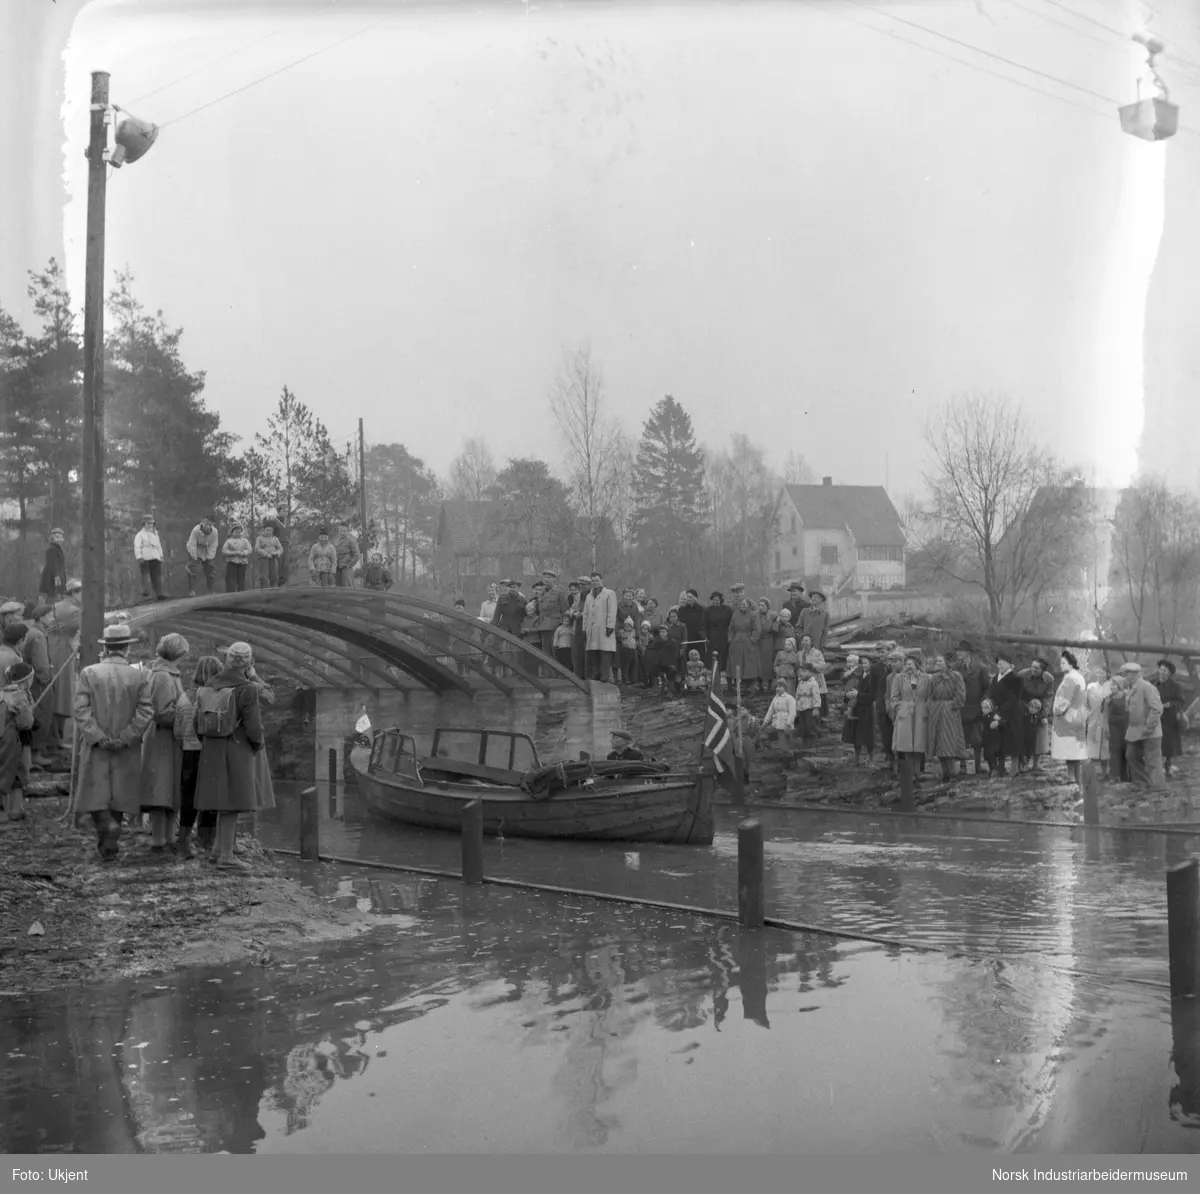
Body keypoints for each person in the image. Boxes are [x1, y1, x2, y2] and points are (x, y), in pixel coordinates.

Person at [73, 623, 154, 861]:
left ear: (106, 647)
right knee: (121, 792)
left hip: (97, 745)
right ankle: (111, 838)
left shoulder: (88, 673)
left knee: (96, 791)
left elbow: (81, 710)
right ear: (127, 648)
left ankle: (106, 833)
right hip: (125, 748)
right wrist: (127, 737)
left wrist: (97, 736)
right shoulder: (138, 676)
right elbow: (146, 711)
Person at [194, 642, 265, 871]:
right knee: (231, 801)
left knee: (219, 798)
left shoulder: (210, 684)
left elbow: (198, 721)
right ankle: (226, 855)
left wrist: (207, 741)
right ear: (249, 662)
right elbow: (253, 726)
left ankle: (216, 849)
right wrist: (256, 745)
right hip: (237, 745)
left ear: (227, 660)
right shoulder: (248, 688)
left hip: (211, 746)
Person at [139, 633, 188, 855]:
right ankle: (160, 838)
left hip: (168, 740)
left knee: (170, 789)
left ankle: (168, 836)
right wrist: (186, 715)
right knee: (161, 788)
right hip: (162, 739)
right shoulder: (164, 677)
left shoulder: (164, 674)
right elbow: (161, 712)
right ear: (179, 653)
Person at [174, 655, 222, 860]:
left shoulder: (184, 697)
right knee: (212, 796)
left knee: (188, 797)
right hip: (210, 752)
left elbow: (176, 730)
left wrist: (186, 743)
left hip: (188, 753)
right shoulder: (216, 697)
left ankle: (183, 841)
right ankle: (208, 840)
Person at [0, 661, 35, 822]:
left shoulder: (3, 693)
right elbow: (25, 722)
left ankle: (7, 809)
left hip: (3, 737)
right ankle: (13, 809)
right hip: (16, 739)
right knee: (18, 771)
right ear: (26, 680)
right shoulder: (19, 696)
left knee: (4, 770)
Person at [925, 654, 968, 781]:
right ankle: (944, 772)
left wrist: (951, 706)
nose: (938, 664)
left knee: (949, 741)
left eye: (940, 661)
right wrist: (932, 707)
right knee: (939, 742)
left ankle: (951, 772)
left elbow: (961, 696)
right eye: (936, 661)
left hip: (950, 714)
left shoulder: (956, 676)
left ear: (947, 663)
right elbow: (930, 695)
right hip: (937, 713)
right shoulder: (934, 678)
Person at [1122, 661, 1165, 790]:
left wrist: (1149, 727)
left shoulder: (1146, 687)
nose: (1124, 676)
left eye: (1127, 673)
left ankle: (1159, 789)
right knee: (1131, 756)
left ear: (1135, 674)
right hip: (1135, 732)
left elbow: (1157, 708)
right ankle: (1143, 784)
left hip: (1150, 732)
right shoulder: (1131, 688)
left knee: (1153, 761)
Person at [983, 652, 1024, 778]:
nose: (999, 664)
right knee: (999, 741)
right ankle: (1000, 768)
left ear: (1010, 664)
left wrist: (1001, 714)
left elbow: (1014, 699)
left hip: (1012, 713)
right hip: (997, 712)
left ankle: (1015, 768)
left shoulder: (1015, 679)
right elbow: (991, 694)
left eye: (1002, 662)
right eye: (998, 662)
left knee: (1013, 740)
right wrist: (991, 708)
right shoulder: (995, 678)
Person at [888, 655, 930, 779]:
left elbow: (929, 696)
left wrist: (926, 707)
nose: (908, 667)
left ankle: (918, 771)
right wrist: (900, 706)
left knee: (919, 743)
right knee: (906, 743)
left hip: (921, 712)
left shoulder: (926, 678)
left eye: (910, 664)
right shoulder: (899, 678)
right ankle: (909, 772)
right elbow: (894, 697)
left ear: (916, 665)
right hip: (905, 713)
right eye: (906, 665)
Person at [1050, 650, 1087, 787]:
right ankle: (1077, 779)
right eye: (1060, 662)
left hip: (1069, 718)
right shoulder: (1079, 677)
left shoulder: (1070, 678)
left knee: (1069, 749)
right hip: (1078, 717)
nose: (1061, 665)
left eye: (1063, 663)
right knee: (1075, 751)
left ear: (1071, 664)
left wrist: (1056, 711)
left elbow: (1063, 700)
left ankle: (1071, 777)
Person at [956, 642, 991, 778]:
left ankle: (977, 766)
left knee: (977, 739)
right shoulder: (955, 668)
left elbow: (987, 688)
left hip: (976, 708)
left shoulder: (981, 668)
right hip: (961, 708)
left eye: (960, 651)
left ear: (968, 652)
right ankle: (963, 767)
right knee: (961, 738)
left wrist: (983, 703)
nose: (958, 653)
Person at [842, 652, 880, 767]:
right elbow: (850, 687)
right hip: (856, 707)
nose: (863, 665)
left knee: (869, 735)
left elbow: (872, 695)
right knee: (855, 733)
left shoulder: (874, 677)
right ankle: (857, 758)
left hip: (867, 709)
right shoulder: (858, 675)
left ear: (871, 664)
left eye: (866, 663)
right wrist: (847, 697)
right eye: (862, 663)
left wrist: (858, 695)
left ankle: (872, 759)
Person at [1017, 657, 1055, 772]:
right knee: (1024, 738)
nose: (1033, 669)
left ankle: (1035, 764)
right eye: (1032, 666)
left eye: (1036, 668)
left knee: (1040, 738)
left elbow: (1048, 697)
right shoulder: (1022, 675)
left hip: (1040, 708)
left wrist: (1042, 714)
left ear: (1043, 670)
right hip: (1024, 707)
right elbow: (1018, 695)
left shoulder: (1049, 679)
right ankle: (1024, 764)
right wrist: (1026, 710)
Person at [582, 572, 618, 683]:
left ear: (601, 580)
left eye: (597, 580)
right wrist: (584, 628)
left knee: (605, 652)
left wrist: (610, 625)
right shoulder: (589, 596)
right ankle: (596, 673)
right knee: (594, 651)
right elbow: (586, 613)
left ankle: (605, 675)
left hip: (604, 627)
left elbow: (612, 610)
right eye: (593, 581)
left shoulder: (609, 594)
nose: (595, 583)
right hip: (592, 628)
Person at [1153, 660, 1186, 777]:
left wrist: (1171, 703)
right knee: (1156, 743)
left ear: (1170, 673)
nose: (1162, 672)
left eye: (1165, 671)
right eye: (1160, 670)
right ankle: (1157, 767)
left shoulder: (1176, 686)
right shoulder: (1154, 684)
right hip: (1155, 718)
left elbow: (1181, 701)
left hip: (1169, 719)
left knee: (1169, 744)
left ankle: (1168, 766)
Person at [878, 650, 905, 771]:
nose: (893, 664)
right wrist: (888, 707)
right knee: (890, 737)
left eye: (896, 661)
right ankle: (892, 761)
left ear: (902, 662)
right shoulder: (889, 677)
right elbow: (887, 695)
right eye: (892, 662)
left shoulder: (907, 675)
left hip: (905, 711)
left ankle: (904, 763)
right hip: (892, 712)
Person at [727, 597, 761, 692]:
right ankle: (737, 684)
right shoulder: (735, 614)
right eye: (740, 604)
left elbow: (757, 628)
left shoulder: (753, 614)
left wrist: (753, 639)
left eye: (744, 604)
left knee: (749, 662)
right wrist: (730, 638)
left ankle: (750, 685)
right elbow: (731, 628)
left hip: (748, 641)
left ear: (748, 605)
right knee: (735, 662)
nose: (742, 606)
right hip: (736, 641)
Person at [1084, 667, 1111, 779]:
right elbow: (1085, 704)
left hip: (1106, 720)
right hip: (1093, 719)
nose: (1100, 674)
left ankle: (1105, 772)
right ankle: (1090, 773)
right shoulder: (1090, 687)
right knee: (1091, 747)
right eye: (1099, 672)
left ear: (1107, 674)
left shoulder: (1110, 687)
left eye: (1103, 672)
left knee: (1105, 748)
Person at [701, 592, 733, 684]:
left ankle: (726, 680)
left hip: (724, 635)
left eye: (717, 600)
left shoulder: (728, 610)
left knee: (724, 655)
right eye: (713, 600)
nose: (715, 601)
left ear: (721, 600)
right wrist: (705, 637)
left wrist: (730, 636)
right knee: (713, 657)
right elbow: (703, 626)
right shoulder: (707, 610)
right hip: (712, 636)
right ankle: (713, 681)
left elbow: (731, 624)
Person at [185, 516, 220, 596]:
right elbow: (191, 544)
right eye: (206, 524)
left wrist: (209, 557)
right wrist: (195, 556)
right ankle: (191, 591)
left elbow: (214, 545)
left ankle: (210, 590)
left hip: (207, 551)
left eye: (210, 525)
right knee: (192, 568)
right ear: (202, 523)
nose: (208, 526)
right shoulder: (196, 530)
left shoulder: (215, 532)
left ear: (213, 525)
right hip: (195, 549)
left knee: (210, 569)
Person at [1106, 672, 1131, 783]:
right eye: (1111, 685)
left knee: (1126, 749)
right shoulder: (1108, 699)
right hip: (1113, 726)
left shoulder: (1127, 697)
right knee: (1115, 749)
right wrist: (1106, 727)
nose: (1111, 687)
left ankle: (1125, 775)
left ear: (1120, 686)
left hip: (1126, 726)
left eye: (1114, 685)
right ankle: (1114, 776)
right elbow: (1105, 714)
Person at [134, 515, 166, 601]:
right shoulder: (140, 535)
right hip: (145, 559)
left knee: (157, 577)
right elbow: (137, 547)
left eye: (151, 523)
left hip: (155, 558)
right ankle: (147, 595)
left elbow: (158, 546)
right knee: (146, 577)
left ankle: (159, 594)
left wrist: (161, 556)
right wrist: (139, 557)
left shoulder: (155, 534)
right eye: (148, 523)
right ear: (144, 524)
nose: (150, 525)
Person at [535, 570, 567, 655]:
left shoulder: (559, 592)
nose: (546, 579)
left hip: (555, 625)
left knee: (554, 650)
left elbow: (565, 609)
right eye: (544, 577)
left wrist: (561, 623)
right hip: (543, 625)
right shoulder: (541, 592)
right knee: (545, 651)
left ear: (554, 580)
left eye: (549, 577)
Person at [796, 634, 828, 718]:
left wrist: (811, 665)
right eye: (803, 640)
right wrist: (800, 676)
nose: (804, 642)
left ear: (811, 642)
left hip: (816, 680)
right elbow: (798, 667)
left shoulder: (817, 653)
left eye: (806, 640)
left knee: (818, 697)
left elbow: (823, 666)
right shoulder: (799, 654)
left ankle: (820, 719)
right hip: (804, 681)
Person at [643, 625, 681, 695]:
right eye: (660, 632)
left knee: (671, 672)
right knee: (655, 669)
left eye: (663, 632)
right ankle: (662, 688)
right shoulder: (658, 643)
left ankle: (671, 690)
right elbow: (657, 654)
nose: (662, 633)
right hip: (661, 663)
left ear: (667, 633)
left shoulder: (672, 642)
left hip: (671, 663)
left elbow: (675, 655)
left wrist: (672, 664)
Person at [763, 679, 798, 748]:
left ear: (785, 687)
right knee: (780, 737)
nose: (778, 688)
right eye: (777, 686)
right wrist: (765, 722)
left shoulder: (789, 698)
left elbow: (792, 712)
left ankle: (788, 751)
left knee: (786, 737)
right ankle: (784, 750)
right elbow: (771, 710)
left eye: (780, 686)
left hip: (786, 721)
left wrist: (789, 723)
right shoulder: (775, 698)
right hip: (777, 721)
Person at [794, 665, 822, 747]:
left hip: (810, 707)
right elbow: (797, 695)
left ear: (810, 673)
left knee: (810, 724)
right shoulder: (801, 683)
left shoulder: (813, 684)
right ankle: (804, 740)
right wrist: (796, 705)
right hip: (801, 707)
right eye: (801, 671)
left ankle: (813, 740)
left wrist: (816, 708)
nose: (802, 673)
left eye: (804, 671)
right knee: (802, 725)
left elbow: (816, 696)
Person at [38, 528, 67, 605]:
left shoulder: (58, 549)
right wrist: (56, 576)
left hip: (58, 577)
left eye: (60, 537)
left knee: (58, 596)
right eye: (57, 537)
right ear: (52, 538)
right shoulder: (52, 549)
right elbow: (52, 564)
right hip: (52, 578)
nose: (59, 539)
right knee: (52, 597)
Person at [221, 523, 253, 592]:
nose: (238, 533)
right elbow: (224, 551)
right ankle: (230, 592)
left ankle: (241, 592)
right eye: (236, 532)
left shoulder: (245, 541)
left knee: (241, 578)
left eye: (239, 532)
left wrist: (244, 553)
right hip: (231, 561)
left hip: (242, 562)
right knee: (231, 578)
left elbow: (249, 549)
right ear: (232, 532)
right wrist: (234, 553)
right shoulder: (229, 541)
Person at [261, 511, 290, 586]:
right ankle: (273, 586)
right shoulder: (274, 521)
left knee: (285, 568)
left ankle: (278, 585)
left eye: (286, 509)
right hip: (277, 544)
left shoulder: (287, 521)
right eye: (283, 510)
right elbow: (266, 527)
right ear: (278, 511)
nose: (285, 512)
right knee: (276, 568)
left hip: (286, 546)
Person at [678, 590, 706, 664]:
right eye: (687, 597)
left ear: (695, 598)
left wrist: (703, 634)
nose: (689, 599)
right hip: (687, 638)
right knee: (687, 659)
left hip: (698, 638)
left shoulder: (702, 609)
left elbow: (704, 623)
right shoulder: (682, 609)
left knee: (699, 658)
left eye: (691, 597)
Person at [254, 524, 285, 590]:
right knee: (264, 576)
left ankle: (274, 590)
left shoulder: (275, 539)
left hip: (274, 559)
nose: (269, 532)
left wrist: (276, 553)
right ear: (263, 530)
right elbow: (257, 549)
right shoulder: (259, 538)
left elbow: (280, 549)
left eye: (270, 530)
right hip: (264, 559)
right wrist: (266, 554)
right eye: (267, 530)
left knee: (274, 576)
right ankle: (264, 591)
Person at [755, 598, 776, 689]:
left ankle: (770, 684)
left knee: (769, 662)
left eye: (762, 605)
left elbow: (777, 627)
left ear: (768, 607)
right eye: (759, 605)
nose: (760, 607)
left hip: (769, 641)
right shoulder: (755, 615)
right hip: (758, 641)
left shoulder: (773, 615)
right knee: (759, 662)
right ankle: (759, 685)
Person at [333, 522, 360, 588]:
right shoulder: (337, 541)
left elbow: (356, 555)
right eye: (341, 530)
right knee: (338, 587)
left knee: (347, 586)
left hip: (346, 567)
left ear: (348, 531)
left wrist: (349, 564)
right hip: (338, 567)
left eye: (344, 531)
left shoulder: (351, 540)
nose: (342, 532)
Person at [617, 616, 639, 685]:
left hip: (633, 650)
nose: (627, 627)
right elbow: (620, 637)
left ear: (632, 626)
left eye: (629, 626)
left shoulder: (634, 632)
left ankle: (634, 679)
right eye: (626, 626)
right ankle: (625, 679)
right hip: (626, 649)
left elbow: (638, 637)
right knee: (626, 665)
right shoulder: (622, 632)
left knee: (634, 665)